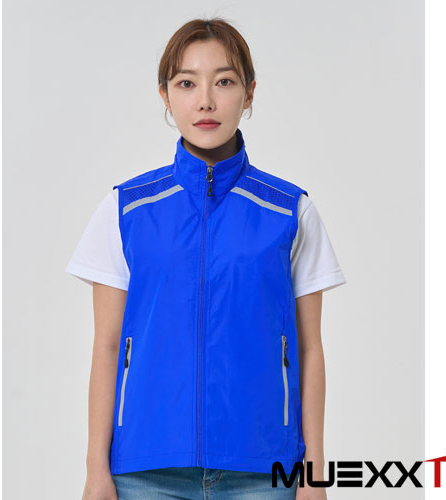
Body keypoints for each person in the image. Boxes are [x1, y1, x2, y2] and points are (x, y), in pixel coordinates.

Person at [66, 17, 346, 500]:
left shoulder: (289, 211)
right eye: (186, 83)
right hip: (146, 472)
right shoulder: (126, 209)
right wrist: (96, 470)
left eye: (225, 81)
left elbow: (309, 349)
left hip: (263, 470)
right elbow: (107, 346)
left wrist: (314, 475)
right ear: (165, 95)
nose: (205, 101)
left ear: (249, 92)